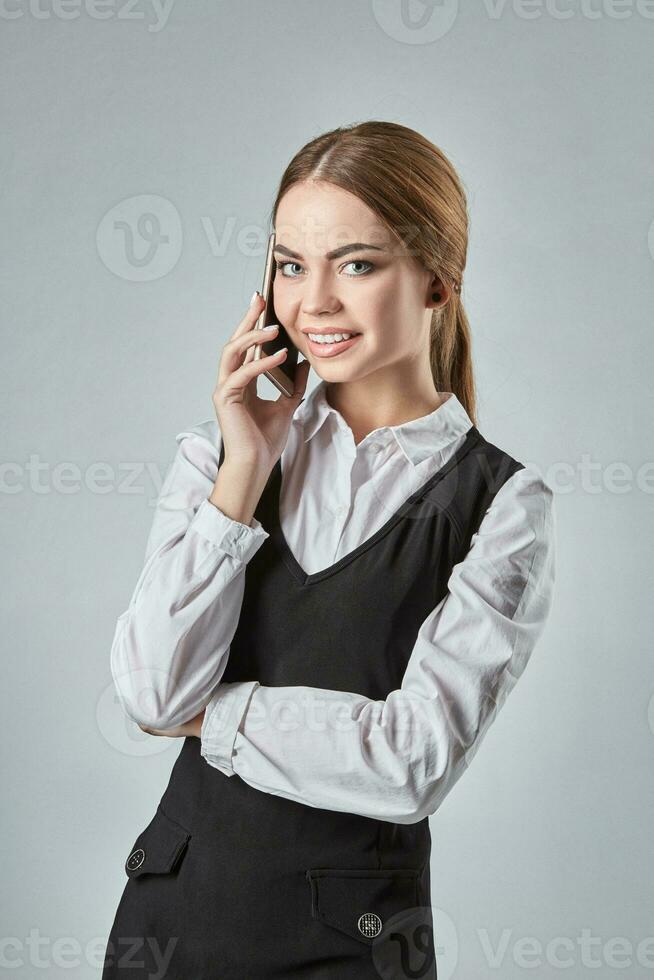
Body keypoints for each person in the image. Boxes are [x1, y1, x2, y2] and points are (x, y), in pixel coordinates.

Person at [102, 120, 556, 979]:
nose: (312, 302)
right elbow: (153, 689)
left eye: (356, 264)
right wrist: (245, 468)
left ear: (438, 280)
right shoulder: (218, 457)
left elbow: (410, 762)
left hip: (355, 950)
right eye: (288, 264)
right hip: (169, 928)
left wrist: (213, 715)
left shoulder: (500, 504)